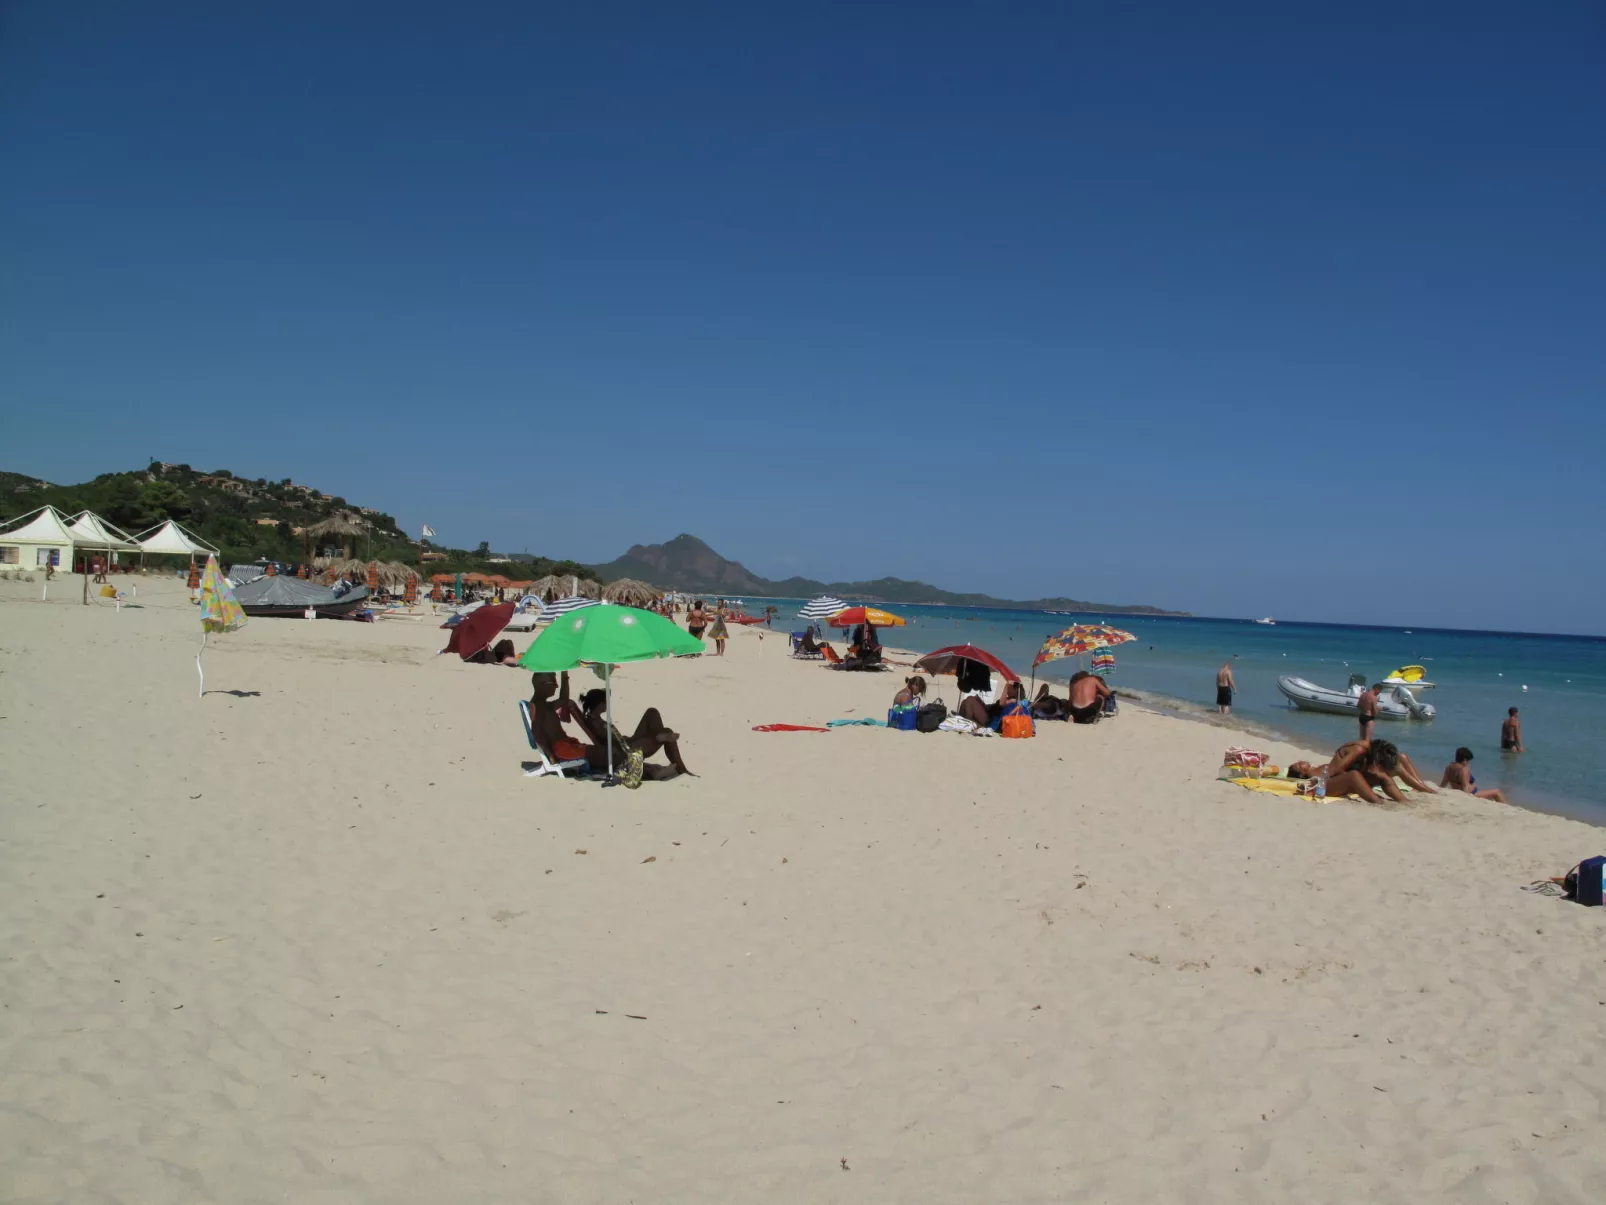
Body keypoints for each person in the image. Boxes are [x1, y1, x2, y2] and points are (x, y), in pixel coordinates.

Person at [576, 687, 692, 779]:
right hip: (624, 750)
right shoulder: (595, 723)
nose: (607, 703)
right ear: (599, 704)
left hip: (627, 743)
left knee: (652, 712)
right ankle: (659, 738)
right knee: (666, 733)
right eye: (605, 701)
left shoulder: (595, 719)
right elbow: (612, 742)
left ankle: (660, 737)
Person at [1440, 747, 1509, 803]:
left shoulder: (1449, 767)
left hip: (1461, 792)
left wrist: (1439, 791)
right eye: (1468, 761)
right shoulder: (1464, 769)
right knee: (1497, 792)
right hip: (1473, 794)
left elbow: (1444, 783)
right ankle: (1507, 808)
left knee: (1491, 798)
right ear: (1464, 760)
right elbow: (1465, 787)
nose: (1469, 763)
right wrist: (1467, 800)